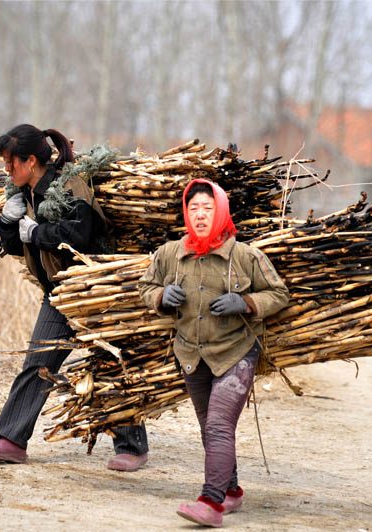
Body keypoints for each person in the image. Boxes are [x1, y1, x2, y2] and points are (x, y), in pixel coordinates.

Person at [0, 124, 149, 471]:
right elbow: (13, 247)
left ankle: (132, 448)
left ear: (32, 160)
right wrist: (9, 224)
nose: (7, 170)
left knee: (110, 363)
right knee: (38, 363)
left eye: (11, 163)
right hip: (58, 293)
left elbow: (81, 236)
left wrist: (38, 231)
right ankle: (10, 440)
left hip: (95, 290)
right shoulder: (24, 194)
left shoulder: (70, 185)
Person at [138, 179, 289, 527]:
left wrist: (247, 302)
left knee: (220, 425)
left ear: (220, 211)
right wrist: (160, 296)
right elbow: (145, 287)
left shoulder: (246, 256)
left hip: (236, 352)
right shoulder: (169, 254)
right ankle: (232, 490)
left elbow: (279, 294)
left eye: (208, 208)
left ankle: (211, 501)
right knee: (210, 427)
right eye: (194, 209)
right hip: (191, 353)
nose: (201, 215)